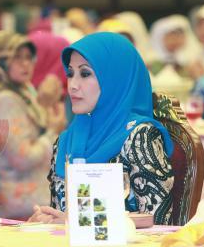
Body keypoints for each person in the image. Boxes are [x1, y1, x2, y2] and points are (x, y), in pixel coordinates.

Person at [29, 32, 174, 225]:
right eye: (70, 74)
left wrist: (80, 222)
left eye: (85, 74)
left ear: (114, 79)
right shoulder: (66, 141)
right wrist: (45, 219)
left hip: (128, 246)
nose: (72, 85)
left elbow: (158, 221)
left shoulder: (138, 137)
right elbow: (61, 216)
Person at [0, 31, 65, 219]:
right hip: (23, 198)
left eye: (29, 57)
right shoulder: (4, 101)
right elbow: (24, 158)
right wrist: (53, 132)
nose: (25, 64)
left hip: (24, 190)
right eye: (17, 58)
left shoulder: (15, 93)